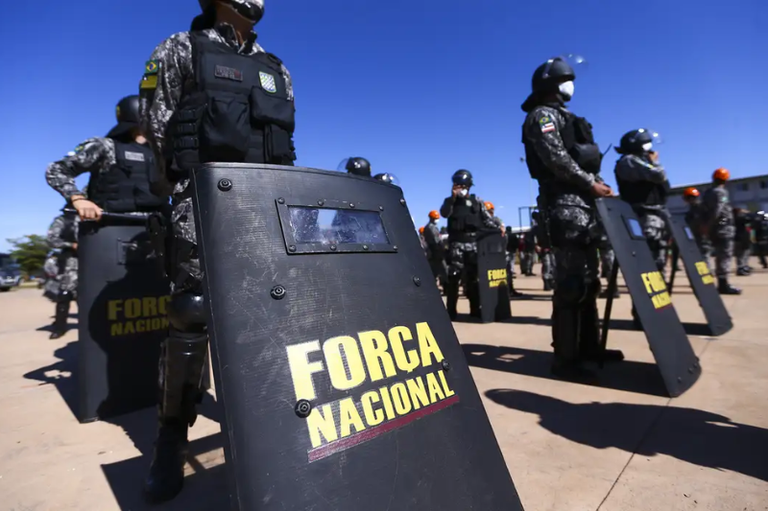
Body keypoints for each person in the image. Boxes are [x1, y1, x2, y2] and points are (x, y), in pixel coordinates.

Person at [138, 0, 296, 502]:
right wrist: (179, 190)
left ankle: (273, 427)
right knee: (192, 310)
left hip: (264, 203)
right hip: (202, 196)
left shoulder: (277, 68)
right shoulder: (180, 48)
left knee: (273, 310)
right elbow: (157, 126)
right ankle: (171, 436)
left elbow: (285, 141)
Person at [521, 55, 621, 380]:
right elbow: (556, 158)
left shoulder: (568, 117)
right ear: (552, 85)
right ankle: (565, 360)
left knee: (590, 283)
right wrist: (590, 183)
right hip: (564, 206)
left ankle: (589, 347)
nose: (571, 85)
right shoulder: (542, 116)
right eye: (566, 79)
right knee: (571, 284)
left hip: (585, 206)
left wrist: (597, 184)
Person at [45, 95, 168, 221]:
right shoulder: (105, 146)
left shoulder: (162, 153)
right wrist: (78, 199)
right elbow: (56, 170)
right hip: (110, 227)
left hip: (157, 228)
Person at [439, 169, 499, 320]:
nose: (460, 188)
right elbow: (444, 213)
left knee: (473, 279)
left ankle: (475, 309)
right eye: (457, 185)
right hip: (456, 245)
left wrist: (499, 228)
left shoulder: (476, 202)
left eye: (462, 185)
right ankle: (451, 311)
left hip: (473, 245)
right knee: (454, 278)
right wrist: (453, 198)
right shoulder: (449, 202)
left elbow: (487, 220)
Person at [613, 129, 670, 273]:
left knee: (659, 253)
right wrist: (655, 162)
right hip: (644, 214)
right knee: (648, 253)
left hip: (655, 212)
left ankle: (658, 286)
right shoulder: (629, 161)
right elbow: (659, 175)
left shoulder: (639, 160)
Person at [701, 168, 741, 294]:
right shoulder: (721, 192)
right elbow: (718, 209)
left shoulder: (708, 192)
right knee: (724, 255)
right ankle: (723, 285)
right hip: (723, 227)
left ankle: (721, 282)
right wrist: (710, 224)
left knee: (719, 256)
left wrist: (707, 226)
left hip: (714, 228)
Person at [43, 208, 79, 339]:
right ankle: (60, 327)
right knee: (65, 295)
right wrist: (71, 245)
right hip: (71, 263)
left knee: (89, 295)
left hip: (93, 261)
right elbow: (51, 239)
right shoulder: (64, 220)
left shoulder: (96, 218)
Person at [682, 187, 712, 268]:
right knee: (698, 257)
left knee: (704, 255)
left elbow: (708, 220)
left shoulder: (702, 207)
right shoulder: (691, 210)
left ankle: (707, 273)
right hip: (695, 237)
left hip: (703, 236)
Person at [423, 210, 448, 292]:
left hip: (433, 253)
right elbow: (436, 241)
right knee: (444, 271)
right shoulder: (431, 227)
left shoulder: (429, 227)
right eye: (436, 218)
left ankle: (430, 288)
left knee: (434, 272)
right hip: (436, 252)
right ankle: (447, 289)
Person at [532, 210, 556, 290]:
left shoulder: (549, 226)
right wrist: (536, 245)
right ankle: (546, 282)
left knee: (553, 265)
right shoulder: (536, 228)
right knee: (547, 265)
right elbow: (534, 238)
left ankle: (552, 281)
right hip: (544, 248)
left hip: (551, 247)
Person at [733, 207, 752, 276]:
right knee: (744, 253)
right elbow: (751, 218)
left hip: (736, 238)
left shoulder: (732, 218)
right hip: (742, 238)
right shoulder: (741, 218)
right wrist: (747, 212)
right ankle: (742, 267)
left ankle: (741, 267)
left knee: (739, 255)